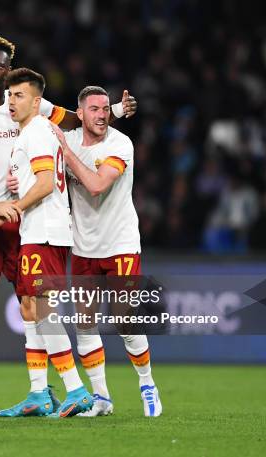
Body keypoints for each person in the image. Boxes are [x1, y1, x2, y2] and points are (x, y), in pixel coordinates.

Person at [0, 35, 136, 417]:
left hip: (26, 221)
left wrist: (115, 113)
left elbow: (78, 121)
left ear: (12, 74)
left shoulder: (35, 118)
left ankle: (50, 389)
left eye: (0, 67)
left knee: (35, 304)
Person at [0, 68, 94, 417]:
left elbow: (46, 184)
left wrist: (9, 209)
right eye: (10, 96)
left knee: (42, 308)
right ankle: (39, 393)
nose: (12, 102)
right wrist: (18, 185)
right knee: (30, 307)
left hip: (45, 231)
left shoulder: (38, 131)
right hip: (38, 231)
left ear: (37, 100)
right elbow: (38, 178)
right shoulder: (29, 133)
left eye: (20, 96)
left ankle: (75, 389)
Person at [50, 85, 162, 417]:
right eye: (94, 109)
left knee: (123, 318)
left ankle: (147, 385)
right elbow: (36, 113)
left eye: (105, 109)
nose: (101, 115)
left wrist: (66, 155)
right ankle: (102, 398)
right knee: (84, 323)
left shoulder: (119, 144)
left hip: (121, 243)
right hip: (84, 246)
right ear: (81, 113)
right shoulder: (67, 139)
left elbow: (97, 185)